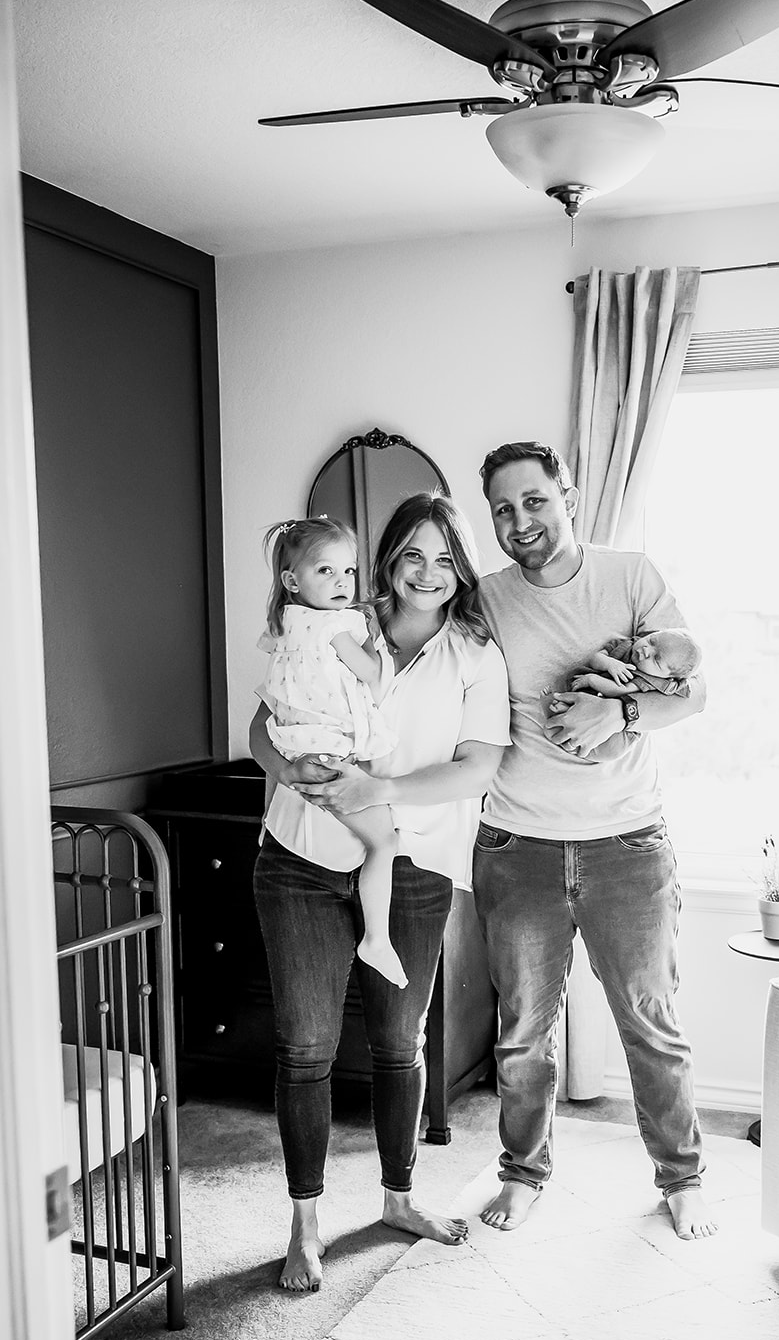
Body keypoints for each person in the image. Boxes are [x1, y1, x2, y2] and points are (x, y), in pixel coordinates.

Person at [249, 494, 510, 1291]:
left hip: (414, 865)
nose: (427, 573)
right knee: (305, 1048)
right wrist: (285, 765)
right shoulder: (333, 618)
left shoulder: (475, 654)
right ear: (388, 560)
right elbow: (265, 721)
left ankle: (398, 1199)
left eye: (445, 559)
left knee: (400, 1042)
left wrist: (379, 786)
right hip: (299, 855)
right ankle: (304, 1225)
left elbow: (477, 768)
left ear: (461, 569)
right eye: (412, 555)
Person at [472, 441, 715, 1241]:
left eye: (534, 500)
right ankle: (522, 1174)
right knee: (521, 1035)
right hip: (517, 847)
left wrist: (621, 711)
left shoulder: (631, 576)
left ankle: (683, 1179)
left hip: (628, 846)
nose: (520, 521)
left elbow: (694, 692)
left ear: (568, 497)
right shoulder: (487, 598)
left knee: (651, 1023)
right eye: (503, 509)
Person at [258, 516, 406, 988]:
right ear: (291, 580)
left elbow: (268, 708)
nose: (342, 582)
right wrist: (378, 645)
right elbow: (373, 677)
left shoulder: (285, 624)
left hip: (301, 750)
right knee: (383, 843)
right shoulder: (337, 625)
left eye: (348, 571)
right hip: (331, 758)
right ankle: (376, 939)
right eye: (326, 571)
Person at [546, 626, 703, 761]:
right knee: (574, 692)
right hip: (594, 698)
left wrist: (592, 680)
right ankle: (563, 710)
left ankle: (576, 745)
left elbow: (620, 690)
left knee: (613, 749)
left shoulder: (649, 680)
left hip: (620, 727)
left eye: (656, 659)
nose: (646, 650)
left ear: (668, 677)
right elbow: (596, 658)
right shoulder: (627, 645)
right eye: (652, 641)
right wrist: (609, 663)